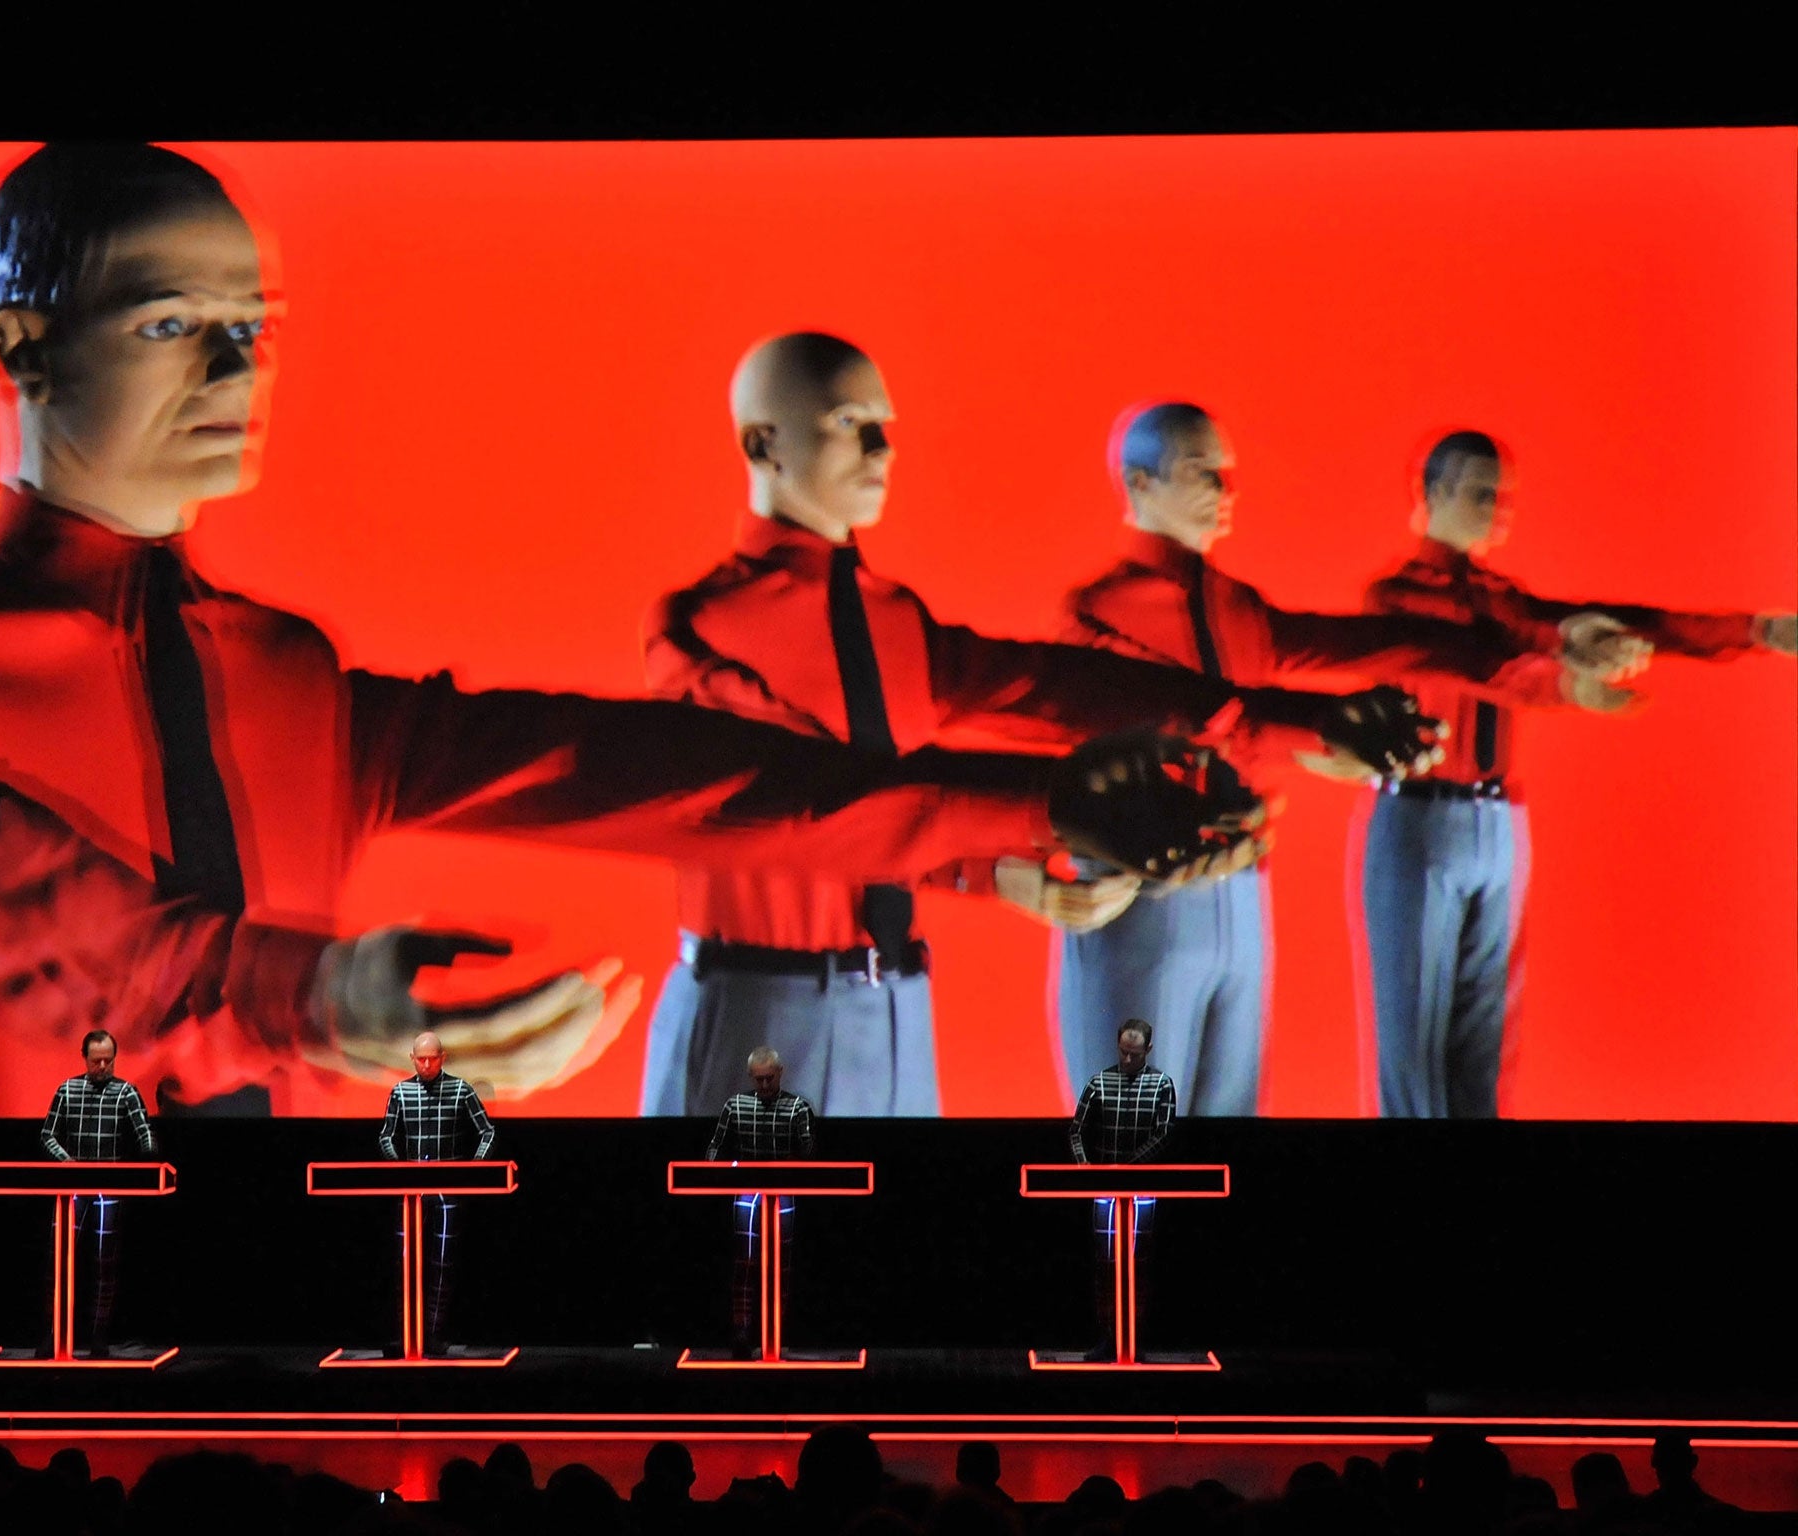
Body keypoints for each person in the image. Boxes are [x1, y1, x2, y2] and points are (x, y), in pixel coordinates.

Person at [0, 144, 1267, 1122]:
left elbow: (644, 768)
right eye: (171, 321)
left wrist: (1031, 805)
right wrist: (317, 997)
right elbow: (24, 904)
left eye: (255, 324)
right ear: (16, 341)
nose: (237, 363)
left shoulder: (282, 673)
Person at [640, 335, 1450, 1118]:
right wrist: (1014, 840)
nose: (884, 448)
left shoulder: (894, 622)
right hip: (759, 1009)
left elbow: (1052, 686)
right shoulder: (704, 627)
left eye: (884, 424)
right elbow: (817, 810)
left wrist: (1299, 723)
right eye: (851, 424)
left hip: (894, 1005)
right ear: (762, 443)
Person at [1054, 402, 1584, 1113]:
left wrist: (1551, 654)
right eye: (1200, 471)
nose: (1223, 488)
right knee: (1131, 1145)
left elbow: (1377, 644)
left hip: (1241, 899)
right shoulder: (1096, 613)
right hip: (1140, 898)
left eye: (1227, 472)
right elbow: (1174, 731)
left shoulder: (1240, 608)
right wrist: (1315, 740)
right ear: (1139, 484)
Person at [1354, 429, 1798, 1116]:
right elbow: (1484, 650)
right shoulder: (1400, 598)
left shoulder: (1504, 598)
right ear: (1434, 491)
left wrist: (1748, 631)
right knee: (1415, 1056)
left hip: (1496, 822)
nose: (1498, 509)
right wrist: (1562, 659)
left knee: (1483, 1047)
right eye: (1481, 492)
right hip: (1419, 819)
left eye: (1503, 496)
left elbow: (1609, 622)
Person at [38, 1028, 156, 1357]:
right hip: (72, 1191)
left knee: (105, 1263)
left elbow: (144, 1133)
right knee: (59, 1262)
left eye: (108, 1060)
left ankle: (99, 1336)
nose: (102, 1066)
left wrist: (148, 1155)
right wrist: (69, 1163)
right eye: (96, 1061)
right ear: (85, 1058)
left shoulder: (126, 1093)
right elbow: (47, 1135)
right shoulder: (68, 1089)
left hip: (110, 1187)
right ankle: (53, 1333)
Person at [376, 1030, 493, 1355]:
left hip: (448, 1188)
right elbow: (386, 1136)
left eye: (433, 1058)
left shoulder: (459, 1090)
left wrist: (472, 1169)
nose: (427, 1065)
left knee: (443, 1263)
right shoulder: (401, 1091)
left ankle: (433, 1333)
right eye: (421, 1059)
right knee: (405, 1262)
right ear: (413, 1059)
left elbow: (487, 1131)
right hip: (410, 1190)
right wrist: (400, 1167)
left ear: (442, 1058)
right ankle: (406, 1335)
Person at [1068, 1019, 1174, 1360]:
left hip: (1142, 1190)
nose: (1127, 1060)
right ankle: (1108, 1338)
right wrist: (1086, 1168)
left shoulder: (1161, 1085)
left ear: (1148, 1051)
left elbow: (1164, 1134)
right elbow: (1076, 1130)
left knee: (1137, 1263)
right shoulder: (1099, 1082)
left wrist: (1126, 1170)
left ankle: (1133, 1339)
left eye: (1135, 1054)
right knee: (1105, 1264)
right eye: (1123, 1052)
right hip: (1103, 1190)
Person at [706, 1045, 816, 1357]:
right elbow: (717, 1145)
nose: (764, 1086)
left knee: (782, 1263)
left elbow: (809, 1153)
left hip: (783, 1191)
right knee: (745, 1260)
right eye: (759, 1080)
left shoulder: (797, 1108)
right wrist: (711, 1173)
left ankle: (778, 1331)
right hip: (747, 1188)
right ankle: (741, 1329)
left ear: (779, 1073)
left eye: (769, 1079)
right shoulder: (736, 1105)